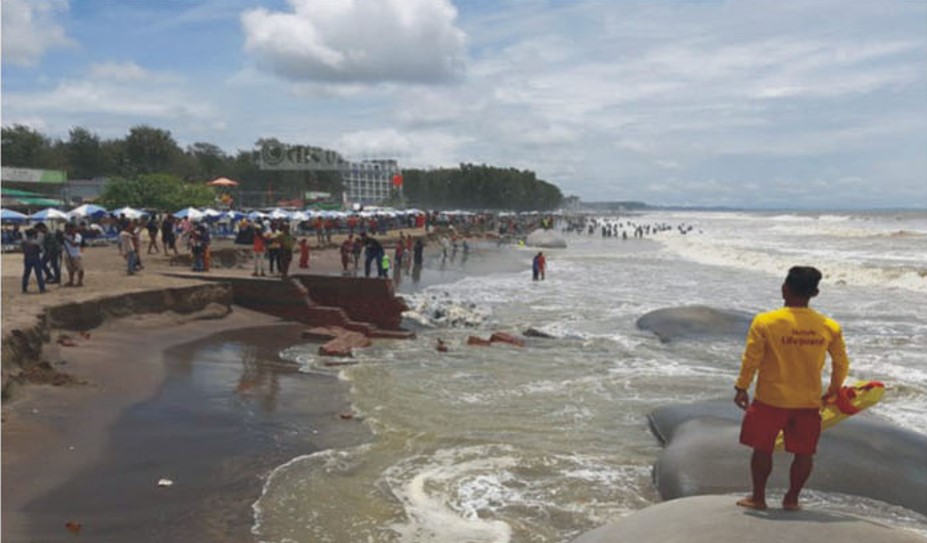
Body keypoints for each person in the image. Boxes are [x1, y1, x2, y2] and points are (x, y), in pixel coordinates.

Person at [733, 266, 849, 512]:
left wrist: (742, 387)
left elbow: (751, 359)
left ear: (784, 289)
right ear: (815, 293)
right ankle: (792, 499)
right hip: (807, 402)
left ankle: (758, 498)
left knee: (762, 449)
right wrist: (834, 389)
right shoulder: (829, 326)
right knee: (804, 453)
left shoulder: (766, 322)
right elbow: (841, 363)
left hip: (770, 399)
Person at [21, 229, 46, 294]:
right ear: (34, 235)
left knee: (26, 274)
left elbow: (23, 248)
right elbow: (41, 249)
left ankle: (24, 289)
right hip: (35, 258)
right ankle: (42, 289)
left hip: (27, 257)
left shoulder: (24, 241)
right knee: (39, 274)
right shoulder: (35, 242)